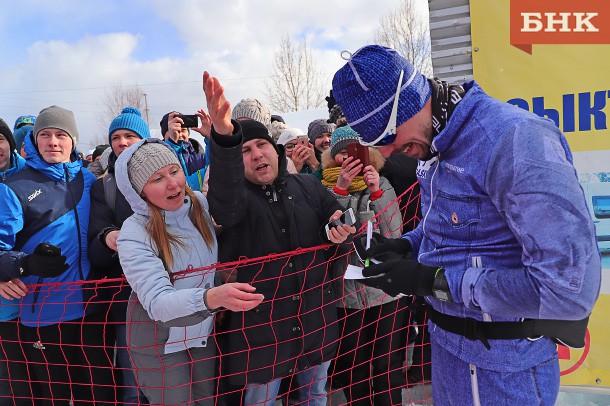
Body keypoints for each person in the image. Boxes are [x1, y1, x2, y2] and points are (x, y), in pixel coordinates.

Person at [331, 44, 601, 404]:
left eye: (387, 135)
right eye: (375, 143)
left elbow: (569, 289)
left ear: (408, 101)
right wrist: (406, 245)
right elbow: (449, 228)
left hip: (506, 368)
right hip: (448, 350)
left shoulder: (514, 139)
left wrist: (434, 281)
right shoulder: (433, 144)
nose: (389, 151)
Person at [203, 71, 356, 406]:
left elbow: (336, 218)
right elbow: (224, 202)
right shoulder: (237, 201)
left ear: (276, 150)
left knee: (315, 396)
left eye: (262, 145)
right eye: (245, 150)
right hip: (262, 332)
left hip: (315, 320)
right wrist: (225, 139)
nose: (257, 154)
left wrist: (338, 230)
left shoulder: (308, 186)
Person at [115, 138, 264, 405]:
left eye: (174, 171)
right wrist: (212, 298)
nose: (172, 183)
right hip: (157, 341)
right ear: (139, 192)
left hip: (200, 331)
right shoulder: (134, 233)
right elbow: (158, 304)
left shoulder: (199, 206)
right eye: (157, 178)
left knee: (206, 400)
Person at [0, 105, 116, 405]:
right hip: (44, 315)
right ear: (35, 141)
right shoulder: (15, 187)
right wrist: (24, 263)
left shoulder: (91, 182)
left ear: (73, 141)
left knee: (102, 393)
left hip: (92, 310)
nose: (53, 141)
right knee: (58, 397)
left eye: (61, 135)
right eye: (45, 134)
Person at [320, 125, 407, 405]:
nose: (349, 159)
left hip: (385, 291)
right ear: (331, 160)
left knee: (387, 363)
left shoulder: (382, 183)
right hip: (347, 295)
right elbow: (330, 233)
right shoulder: (323, 189)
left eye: (354, 152)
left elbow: (394, 234)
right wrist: (342, 189)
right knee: (353, 365)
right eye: (341, 155)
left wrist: (376, 193)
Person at [87, 106, 152, 405]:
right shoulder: (105, 187)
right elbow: (96, 246)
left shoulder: (167, 176)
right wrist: (108, 238)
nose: (122, 142)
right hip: (126, 298)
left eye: (130, 135)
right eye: (116, 136)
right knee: (132, 378)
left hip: (172, 287)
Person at [0, 117, 35, 405]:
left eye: (0, 139)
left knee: (46, 380)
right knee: (13, 384)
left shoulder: (34, 177)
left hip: (41, 301)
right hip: (5, 307)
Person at [160, 109, 212, 191]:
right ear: (164, 135)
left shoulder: (199, 158)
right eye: (174, 131)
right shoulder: (157, 159)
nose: (179, 134)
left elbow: (216, 163)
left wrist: (211, 139)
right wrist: (173, 143)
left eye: (183, 130)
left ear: (188, 133)